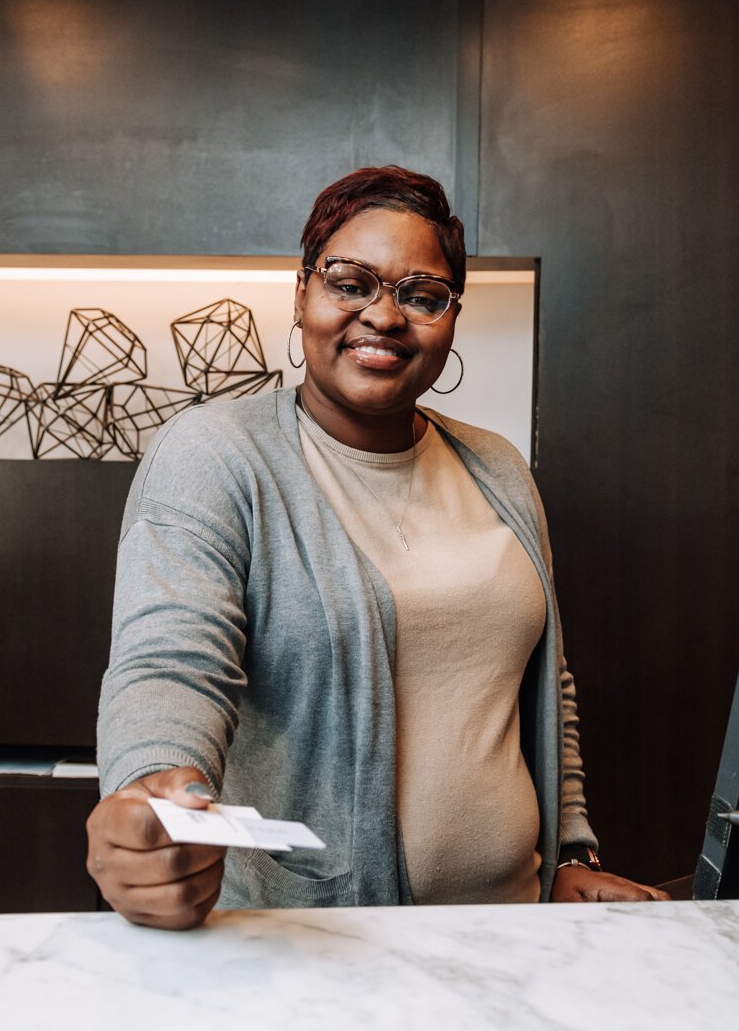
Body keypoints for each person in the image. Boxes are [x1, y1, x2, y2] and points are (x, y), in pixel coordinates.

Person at [86, 165, 665, 929]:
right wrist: (154, 799)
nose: (383, 316)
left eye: (421, 295)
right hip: (320, 941)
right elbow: (170, 663)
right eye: (351, 282)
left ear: (451, 317)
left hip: (516, 931)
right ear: (301, 295)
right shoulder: (217, 455)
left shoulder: (497, 469)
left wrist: (570, 857)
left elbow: (543, 686)